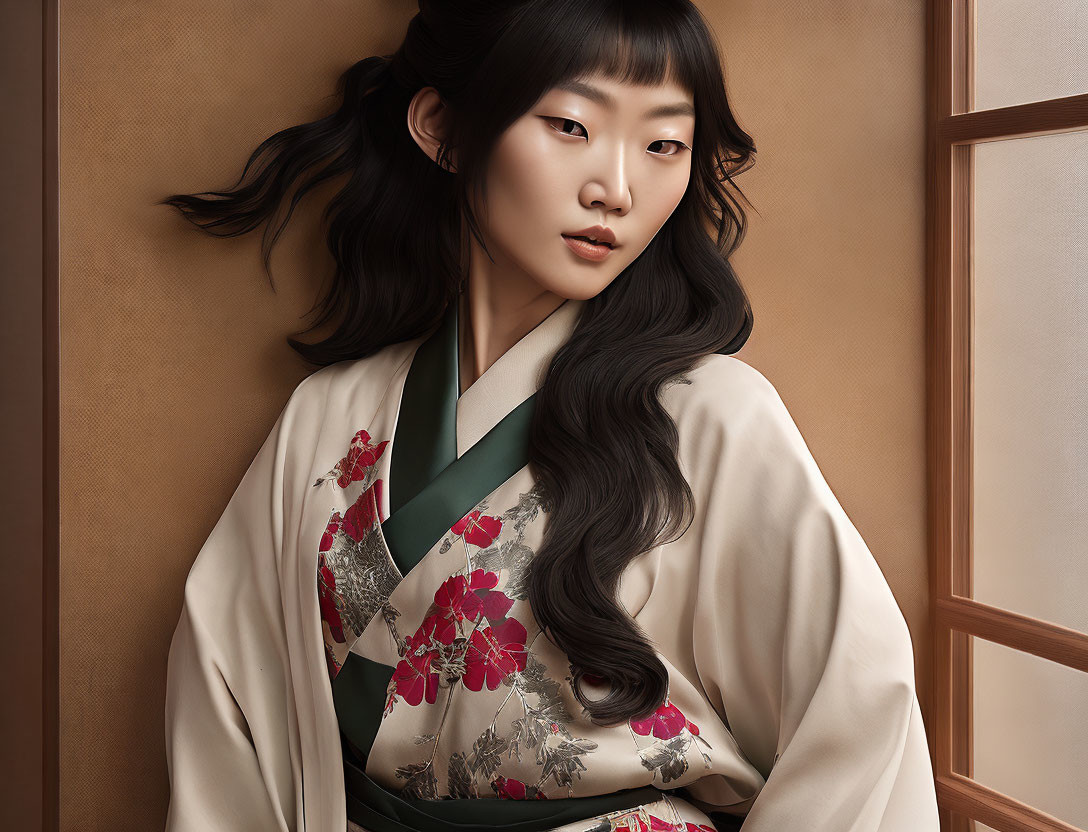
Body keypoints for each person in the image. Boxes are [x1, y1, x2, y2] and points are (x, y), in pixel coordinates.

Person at [160, 1, 941, 829]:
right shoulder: (328, 417)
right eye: (572, 126)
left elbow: (857, 720)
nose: (618, 187)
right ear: (444, 129)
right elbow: (227, 706)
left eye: (664, 144)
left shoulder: (712, 418)